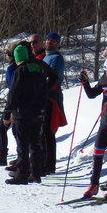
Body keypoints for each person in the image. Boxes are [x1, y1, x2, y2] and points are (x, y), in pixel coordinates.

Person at [3, 42, 49, 185]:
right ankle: (36, 173)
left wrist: (7, 113)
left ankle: (22, 175)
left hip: (23, 112)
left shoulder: (20, 71)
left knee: (23, 144)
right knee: (35, 143)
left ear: (18, 58)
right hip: (39, 111)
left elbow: (13, 93)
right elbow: (46, 87)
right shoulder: (39, 68)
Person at [78, 56, 107, 199]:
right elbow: (92, 94)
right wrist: (85, 82)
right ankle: (94, 184)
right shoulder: (104, 79)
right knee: (98, 151)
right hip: (105, 122)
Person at [41, 31, 67, 175]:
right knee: (43, 130)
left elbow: (53, 77)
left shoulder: (57, 58)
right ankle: (42, 161)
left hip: (52, 96)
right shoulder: (46, 57)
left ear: (58, 43)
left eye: (53, 40)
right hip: (44, 95)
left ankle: (49, 165)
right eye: (48, 39)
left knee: (48, 130)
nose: (49, 42)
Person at [0, 44, 18, 166]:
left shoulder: (11, 69)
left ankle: (3, 156)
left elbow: (12, 88)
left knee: (4, 128)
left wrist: (9, 110)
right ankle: (19, 156)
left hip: (13, 103)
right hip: (20, 103)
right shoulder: (22, 66)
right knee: (16, 131)